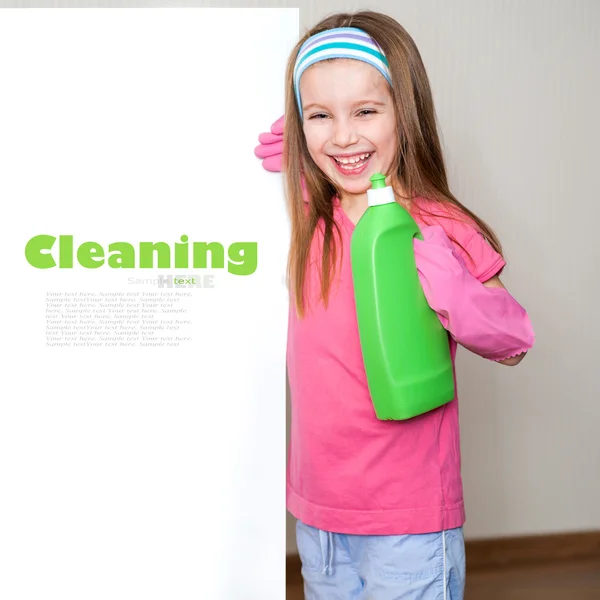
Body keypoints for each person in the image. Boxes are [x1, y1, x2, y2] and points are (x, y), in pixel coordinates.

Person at [254, 10, 534, 600]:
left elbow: (514, 343)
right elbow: (320, 148)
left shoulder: (437, 225)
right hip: (319, 511)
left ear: (404, 113)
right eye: (320, 115)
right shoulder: (312, 211)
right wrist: (305, 137)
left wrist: (457, 294)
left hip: (408, 518)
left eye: (365, 111)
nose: (344, 135)